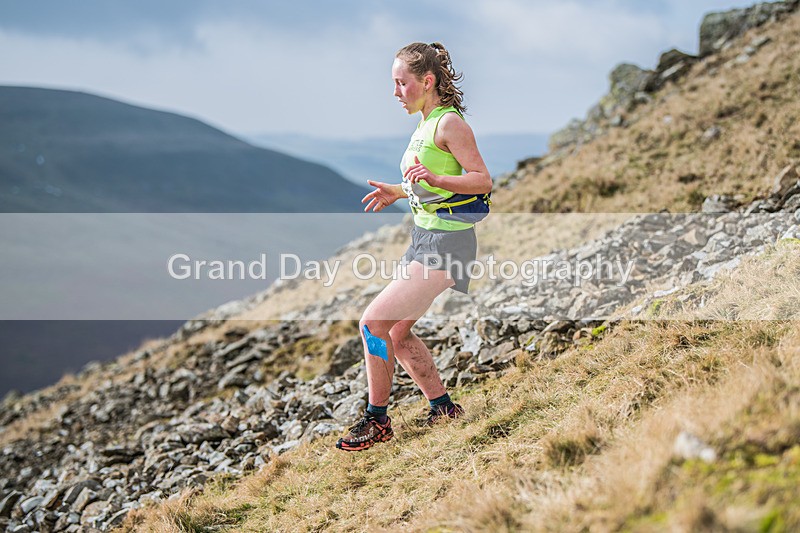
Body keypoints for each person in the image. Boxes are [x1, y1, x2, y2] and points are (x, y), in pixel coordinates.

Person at [335, 42, 492, 452]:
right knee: (398, 332)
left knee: (372, 324)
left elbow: (481, 180)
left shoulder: (449, 124)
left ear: (427, 81)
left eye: (401, 83)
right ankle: (443, 408)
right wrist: (399, 190)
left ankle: (377, 420)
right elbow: (426, 180)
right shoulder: (425, 124)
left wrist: (437, 181)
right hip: (424, 238)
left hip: (448, 243)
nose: (395, 92)